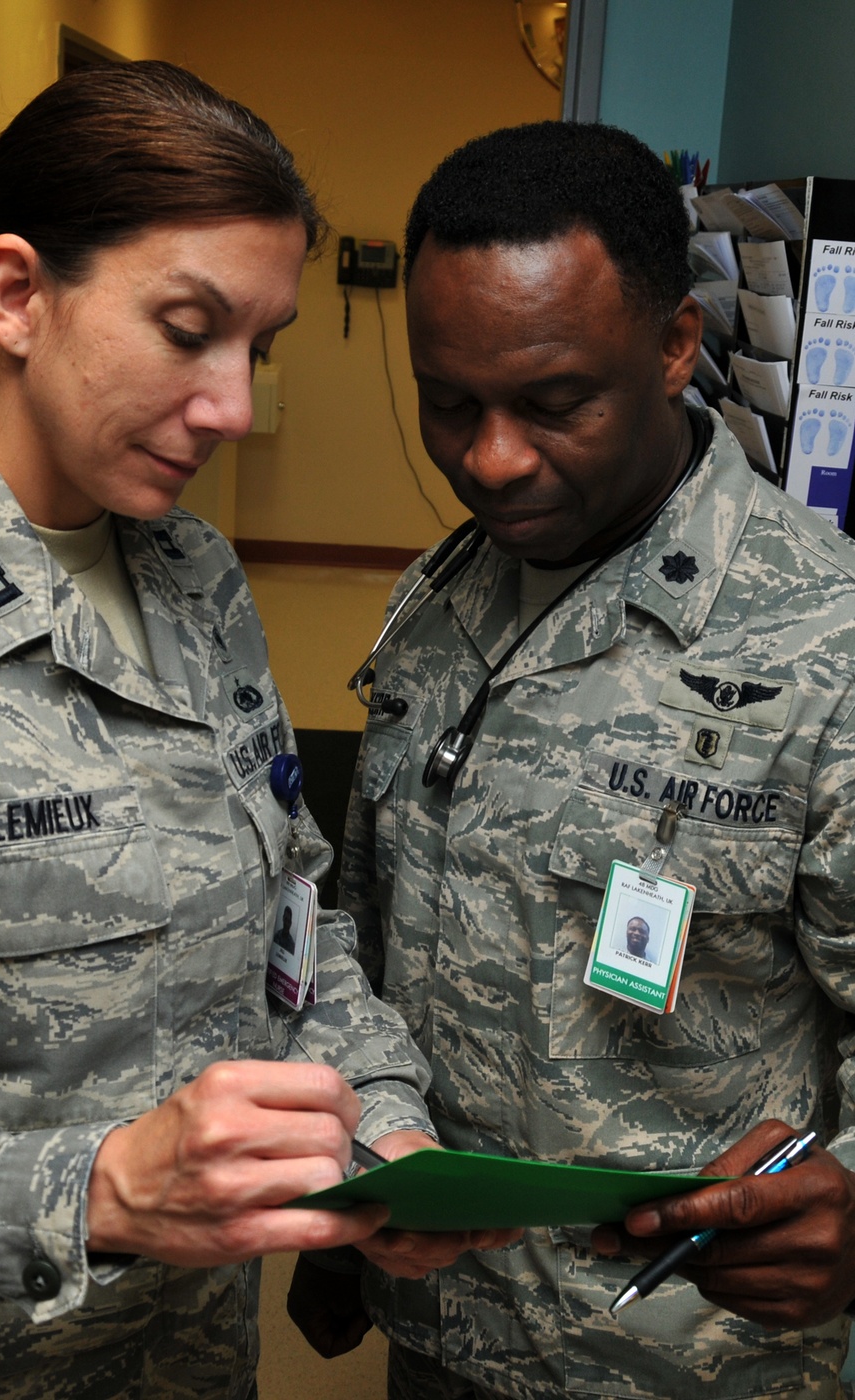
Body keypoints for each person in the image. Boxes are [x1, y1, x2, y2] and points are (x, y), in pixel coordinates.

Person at [0, 61, 503, 1400]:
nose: (234, 407)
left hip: (195, 1361)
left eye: (256, 346)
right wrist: (93, 1188)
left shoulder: (194, 575)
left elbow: (294, 915)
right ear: (18, 294)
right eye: (188, 329)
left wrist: (384, 1126)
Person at [289, 121, 855, 1398]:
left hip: (675, 1359)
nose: (489, 458)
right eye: (450, 402)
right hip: (438, 1327)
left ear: (672, 349)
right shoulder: (439, 600)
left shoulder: (827, 641)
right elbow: (372, 919)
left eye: (552, 403)